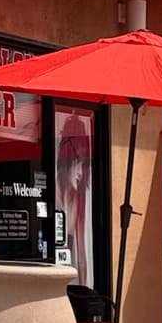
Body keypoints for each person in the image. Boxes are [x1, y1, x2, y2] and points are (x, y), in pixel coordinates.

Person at [56, 111, 92, 286]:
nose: (80, 171)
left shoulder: (77, 200)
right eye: (78, 162)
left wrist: (86, 292)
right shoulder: (53, 192)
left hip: (65, 282)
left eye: (84, 164)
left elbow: (82, 254)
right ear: (67, 158)